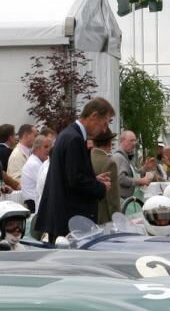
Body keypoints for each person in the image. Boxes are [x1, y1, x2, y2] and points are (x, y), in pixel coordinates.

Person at [34, 96, 114, 240]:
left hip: (63, 219)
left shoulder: (69, 135)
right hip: (69, 223)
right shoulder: (74, 139)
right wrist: (101, 187)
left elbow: (69, 175)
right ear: (94, 116)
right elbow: (75, 180)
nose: (104, 130)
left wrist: (93, 179)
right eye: (104, 123)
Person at [89, 130, 121, 224]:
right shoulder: (109, 163)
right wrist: (118, 222)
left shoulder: (86, 159)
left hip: (88, 216)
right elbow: (112, 198)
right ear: (109, 143)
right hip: (103, 217)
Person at [113, 130, 153, 200]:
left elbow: (134, 174)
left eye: (135, 141)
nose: (134, 144)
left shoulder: (126, 157)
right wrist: (141, 181)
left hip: (130, 200)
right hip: (123, 201)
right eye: (131, 141)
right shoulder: (119, 157)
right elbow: (121, 179)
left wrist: (145, 168)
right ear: (122, 141)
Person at [21, 134, 51, 211]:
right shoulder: (34, 164)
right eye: (46, 147)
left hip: (36, 201)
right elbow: (46, 184)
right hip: (33, 204)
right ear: (37, 149)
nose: (49, 150)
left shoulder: (39, 162)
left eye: (50, 147)